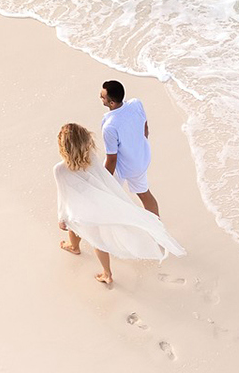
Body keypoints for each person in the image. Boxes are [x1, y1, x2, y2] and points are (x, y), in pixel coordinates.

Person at [55, 123, 183, 288]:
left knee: (82, 231)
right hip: (99, 203)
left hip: (79, 208)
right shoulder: (91, 157)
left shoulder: (59, 169)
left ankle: (75, 248)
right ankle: (106, 272)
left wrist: (61, 217)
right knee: (97, 240)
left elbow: (63, 194)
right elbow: (103, 178)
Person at [98, 79, 159, 215]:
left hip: (126, 166)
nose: (100, 97)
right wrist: (135, 147)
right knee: (145, 194)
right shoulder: (136, 103)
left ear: (111, 103)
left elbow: (112, 159)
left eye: (103, 97)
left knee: (104, 196)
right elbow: (145, 128)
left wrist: (104, 180)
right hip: (140, 159)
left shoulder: (109, 127)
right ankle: (158, 226)